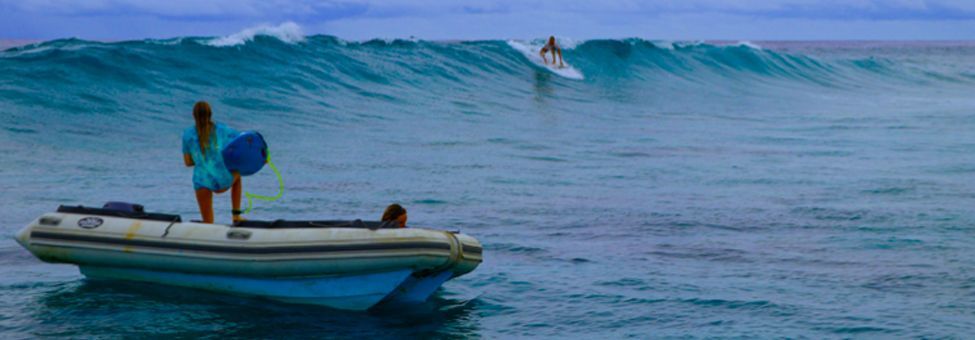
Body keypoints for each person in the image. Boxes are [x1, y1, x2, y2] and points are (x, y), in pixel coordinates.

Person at [182, 101, 244, 223]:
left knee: (208, 223)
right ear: (210, 114)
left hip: (202, 182)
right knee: (238, 174)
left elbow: (188, 162)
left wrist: (201, 158)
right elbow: (243, 140)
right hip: (222, 179)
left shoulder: (187, 134)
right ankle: (236, 215)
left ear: (194, 115)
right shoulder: (222, 130)